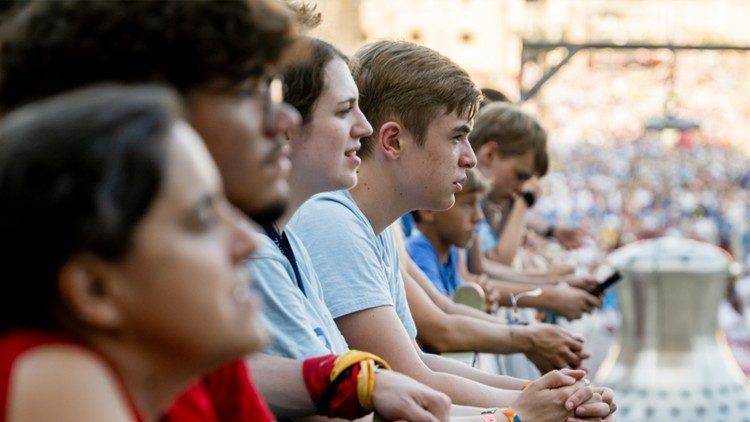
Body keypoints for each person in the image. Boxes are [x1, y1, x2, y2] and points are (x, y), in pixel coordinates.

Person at [0, 2, 452, 420]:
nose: (285, 119)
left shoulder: (185, 344)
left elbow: (248, 375)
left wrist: (349, 380)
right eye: (248, 89)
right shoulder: (55, 376)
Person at [291, 40, 616, 420]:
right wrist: (524, 410)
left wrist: (552, 395)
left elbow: (420, 364)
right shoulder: (332, 221)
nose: (470, 157)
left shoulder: (370, 225)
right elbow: (411, 376)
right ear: (393, 141)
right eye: (457, 137)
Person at [0, 84, 269, 421]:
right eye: (202, 219)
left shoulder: (170, 390)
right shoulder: (53, 375)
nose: (250, 240)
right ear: (94, 288)